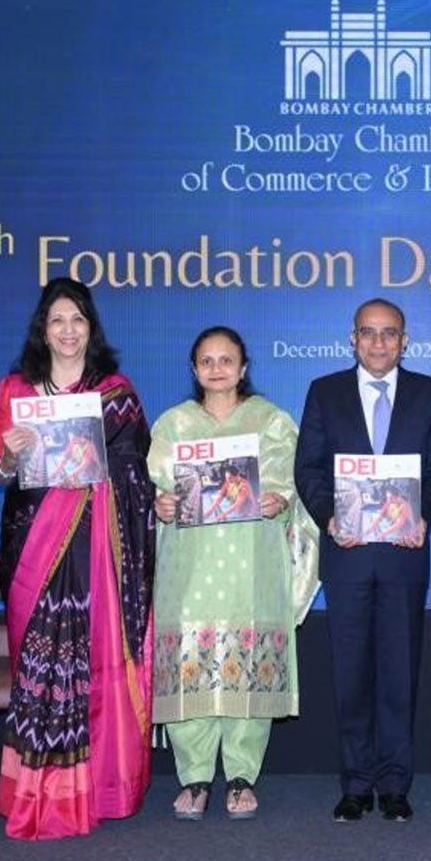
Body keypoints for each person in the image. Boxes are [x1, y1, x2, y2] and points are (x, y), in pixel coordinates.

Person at [0, 277, 155, 840]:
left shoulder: (116, 392)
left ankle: (101, 789)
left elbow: (137, 472)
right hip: (34, 547)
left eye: (77, 319)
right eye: (57, 319)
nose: (67, 330)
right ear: (43, 327)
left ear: (91, 327)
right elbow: (0, 476)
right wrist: (9, 458)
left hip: (99, 552)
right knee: (40, 670)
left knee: (98, 670)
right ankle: (38, 792)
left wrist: (101, 481)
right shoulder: (16, 389)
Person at [148, 327, 319, 819]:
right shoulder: (173, 425)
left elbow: (293, 485)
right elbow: (155, 491)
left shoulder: (272, 422)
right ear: (194, 368)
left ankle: (242, 774)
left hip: (251, 561)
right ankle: (195, 776)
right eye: (207, 360)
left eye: (227, 360)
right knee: (189, 660)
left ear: (244, 368)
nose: (217, 368)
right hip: (190, 563)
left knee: (248, 659)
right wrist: (159, 504)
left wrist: (280, 499)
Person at [294, 298, 431, 822]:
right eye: (369, 332)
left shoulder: (429, 393)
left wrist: (424, 515)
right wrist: (328, 517)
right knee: (350, 673)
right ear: (352, 338)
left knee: (399, 673)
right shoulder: (325, 392)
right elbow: (309, 467)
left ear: (405, 340)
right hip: (347, 552)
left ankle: (396, 784)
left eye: (389, 333)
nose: (379, 343)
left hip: (404, 554)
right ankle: (356, 784)